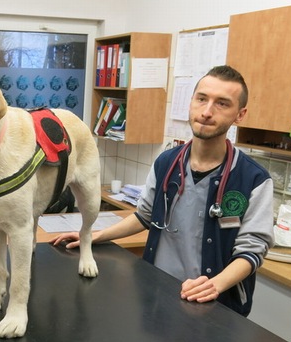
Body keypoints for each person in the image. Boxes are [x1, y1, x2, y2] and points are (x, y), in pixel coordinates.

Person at [51, 65, 274, 316]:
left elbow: (252, 250)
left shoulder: (254, 179)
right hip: (157, 292)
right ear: (191, 102)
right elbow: (144, 216)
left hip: (215, 305)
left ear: (240, 114)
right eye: (202, 99)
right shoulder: (167, 163)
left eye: (222, 104)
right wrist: (92, 236)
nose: (207, 111)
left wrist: (215, 285)